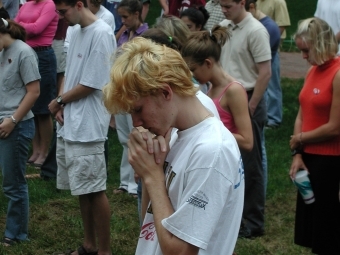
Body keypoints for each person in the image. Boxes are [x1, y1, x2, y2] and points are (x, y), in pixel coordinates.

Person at [103, 36, 244, 255]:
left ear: (165, 92)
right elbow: (149, 222)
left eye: (138, 110)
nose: (136, 123)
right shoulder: (176, 134)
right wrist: (153, 166)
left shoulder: (212, 151)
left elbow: (180, 251)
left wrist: (153, 176)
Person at [49, 0, 115, 254]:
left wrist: (58, 101)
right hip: (71, 117)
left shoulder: (102, 33)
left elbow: (92, 83)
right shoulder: (74, 29)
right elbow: (69, 71)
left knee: (95, 188)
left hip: (89, 122)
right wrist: (61, 101)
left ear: (79, 4)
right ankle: (89, 244)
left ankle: (104, 251)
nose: (60, 17)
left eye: (63, 11)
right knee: (82, 188)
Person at [219, 0, 271, 238]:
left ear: (243, 3)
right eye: (221, 4)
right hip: (227, 94)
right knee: (231, 159)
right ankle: (235, 216)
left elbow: (265, 72)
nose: (224, 9)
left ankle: (253, 220)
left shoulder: (256, 30)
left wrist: (251, 104)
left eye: (228, 5)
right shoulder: (224, 26)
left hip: (248, 97)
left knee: (251, 164)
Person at [289, 17, 340, 255]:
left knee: (327, 226)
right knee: (313, 228)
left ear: (320, 44)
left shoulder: (337, 74)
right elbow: (302, 113)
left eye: (306, 50)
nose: (303, 57)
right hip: (308, 155)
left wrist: (301, 139)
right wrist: (298, 152)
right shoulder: (312, 71)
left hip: (331, 160)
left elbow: (334, 127)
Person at [0, 18, 40, 246]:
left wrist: (13, 120)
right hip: (3, 121)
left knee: (13, 183)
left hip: (16, 125)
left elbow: (34, 92)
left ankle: (16, 234)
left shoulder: (24, 52)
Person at [181, 25, 253, 152]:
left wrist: (206, 131)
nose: (191, 75)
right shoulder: (210, 88)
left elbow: (247, 141)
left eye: (193, 69)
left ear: (208, 63)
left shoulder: (233, 90)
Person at [15, 0, 58, 169]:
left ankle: (44, 151)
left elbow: (37, 28)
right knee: (31, 108)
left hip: (43, 56)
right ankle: (35, 151)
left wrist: (22, 25)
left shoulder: (49, 4)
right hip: (26, 55)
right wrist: (27, 26)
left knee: (43, 108)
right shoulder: (27, 5)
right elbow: (14, 25)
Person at [113, 0, 148, 198]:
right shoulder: (124, 34)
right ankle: (125, 182)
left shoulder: (146, 34)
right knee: (124, 137)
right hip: (121, 89)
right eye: (121, 17)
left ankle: (135, 184)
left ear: (137, 13)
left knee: (135, 136)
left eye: (126, 17)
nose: (123, 21)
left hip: (135, 91)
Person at [245, 0, 280, 194]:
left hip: (254, 93)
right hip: (244, 93)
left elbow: (263, 72)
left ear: (249, 6)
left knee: (258, 151)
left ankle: (259, 194)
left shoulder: (267, 29)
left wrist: (252, 104)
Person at [256, 0, 290, 129]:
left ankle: (274, 119)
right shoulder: (256, 2)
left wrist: (269, 44)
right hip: (256, 49)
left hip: (271, 50)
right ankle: (264, 115)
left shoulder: (278, 2)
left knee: (272, 85)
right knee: (260, 83)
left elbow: (280, 26)